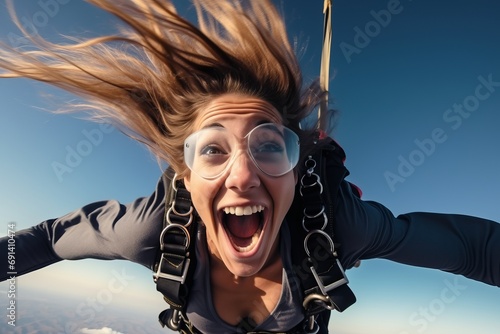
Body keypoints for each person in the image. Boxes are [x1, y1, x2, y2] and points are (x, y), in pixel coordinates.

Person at [1, 0, 499, 333]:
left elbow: (473, 250)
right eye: (213, 149)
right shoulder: (148, 229)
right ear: (186, 175)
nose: (242, 176)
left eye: (269, 146)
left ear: (294, 166)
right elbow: (48, 239)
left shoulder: (339, 226)